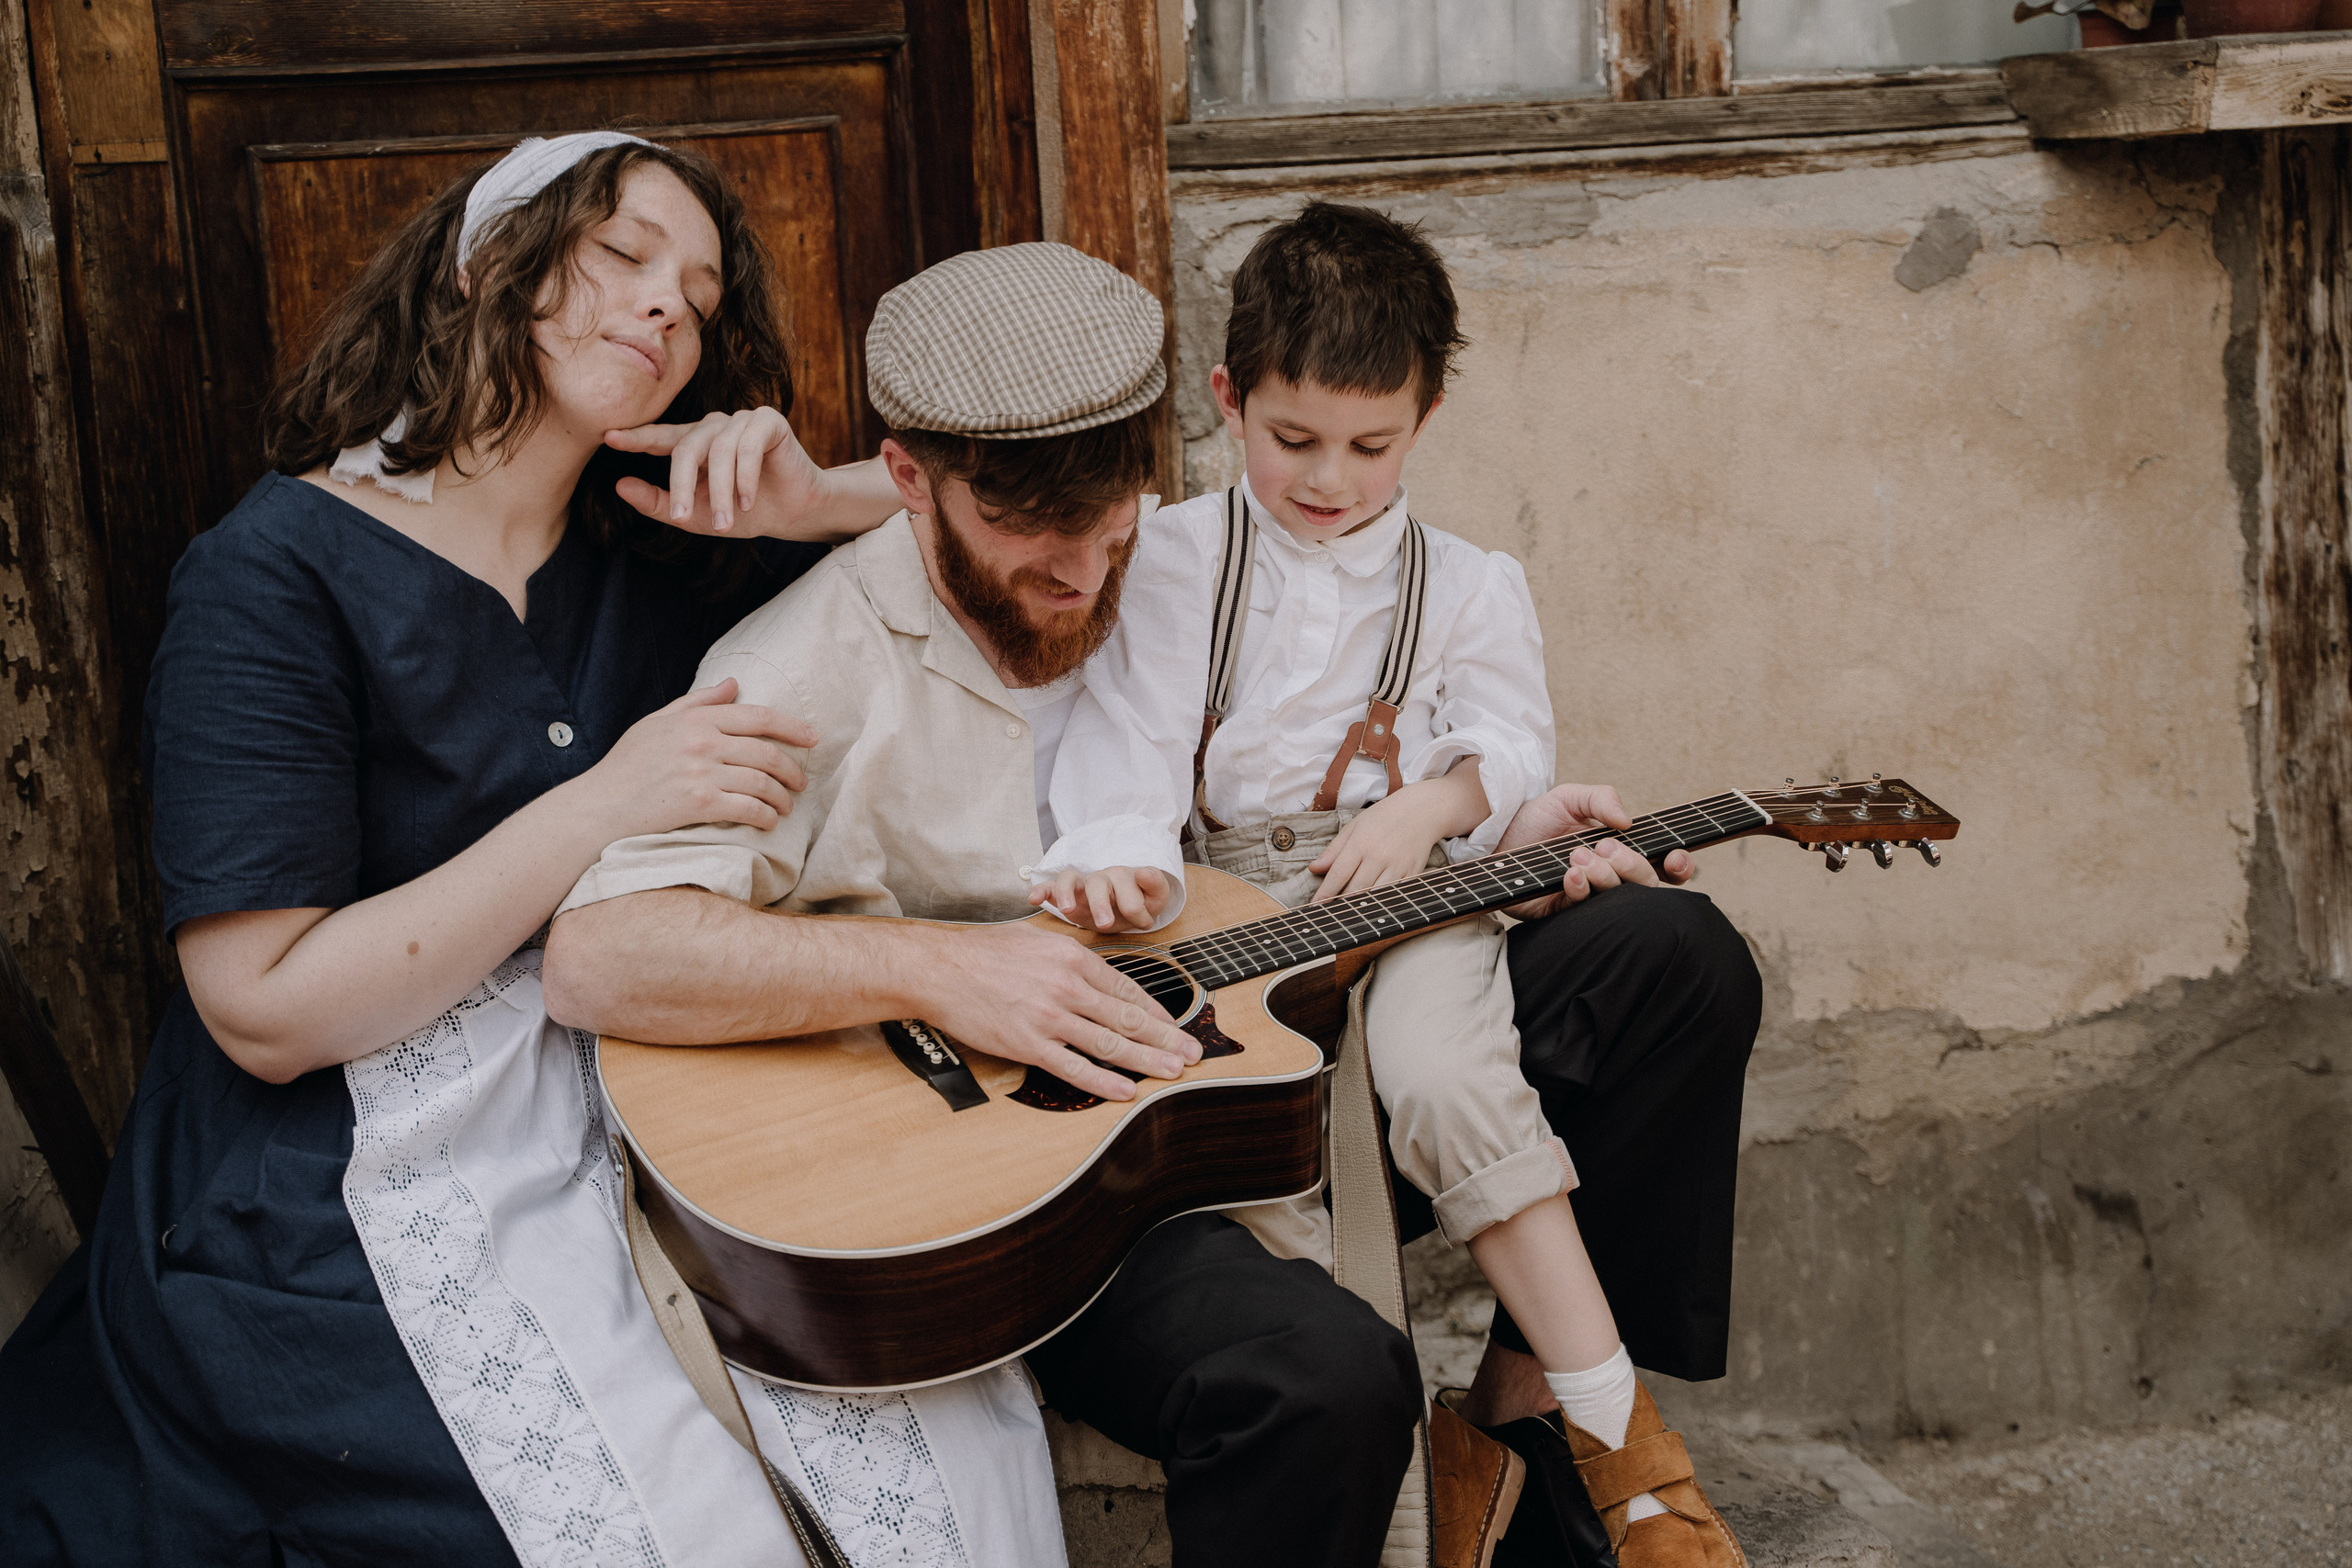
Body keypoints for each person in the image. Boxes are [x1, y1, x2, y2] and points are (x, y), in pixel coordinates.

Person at [0, 131, 1065, 1567]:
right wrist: (604, 802)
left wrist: (810, 496)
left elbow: (1018, 530)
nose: (662, 308)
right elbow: (262, 1011)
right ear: (487, 259)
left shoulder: (661, 548)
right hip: (342, 1163)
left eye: (693, 297)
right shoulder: (274, 576)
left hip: (641, 1097)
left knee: (923, 1448)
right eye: (621, 255)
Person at [540, 241, 1431, 1568]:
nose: (1080, 577)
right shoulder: (802, 670)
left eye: (1112, 517)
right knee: (1323, 1377)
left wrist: (1507, 815)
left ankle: (1553, 1431)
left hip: (1191, 1100)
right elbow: (601, 957)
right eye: (1027, 533)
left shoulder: (1186, 575)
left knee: (1646, 959)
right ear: (907, 480)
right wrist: (936, 972)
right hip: (973, 1189)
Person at [1033, 201, 1761, 1568]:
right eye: (1294, 440)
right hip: (1221, 920)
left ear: (1426, 414)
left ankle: (1612, 1435)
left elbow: (1510, 744)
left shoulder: (1471, 585)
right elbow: (1122, 737)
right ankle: (1366, 1470)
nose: (1332, 479)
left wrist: (1430, 812)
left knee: (1444, 1073)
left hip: (1411, 899)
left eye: (1374, 446)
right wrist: (1118, 862)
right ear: (1228, 399)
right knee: (1252, 1198)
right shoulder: (1175, 560)